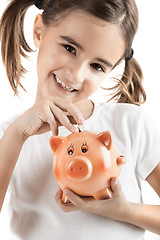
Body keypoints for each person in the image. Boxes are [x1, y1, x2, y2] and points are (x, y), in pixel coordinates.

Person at [0, 0, 160, 239]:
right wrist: (16, 136)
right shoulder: (8, 134)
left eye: (96, 66)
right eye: (69, 48)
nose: (75, 74)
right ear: (39, 31)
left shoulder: (131, 124)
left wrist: (123, 210)